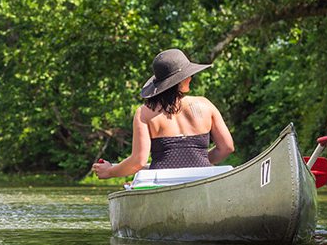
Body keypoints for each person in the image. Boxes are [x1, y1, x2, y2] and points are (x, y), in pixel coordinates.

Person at [92, 49, 234, 179]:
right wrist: (196, 161)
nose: (190, 78)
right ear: (179, 80)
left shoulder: (144, 113)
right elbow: (226, 147)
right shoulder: (205, 105)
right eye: (187, 75)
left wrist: (109, 171)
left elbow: (138, 161)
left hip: (162, 182)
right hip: (202, 178)